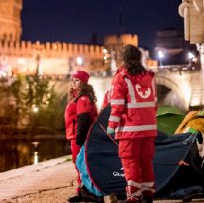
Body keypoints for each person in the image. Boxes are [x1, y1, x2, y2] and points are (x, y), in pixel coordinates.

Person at [106, 45, 157, 203]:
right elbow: (154, 103)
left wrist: (111, 126)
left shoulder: (121, 77)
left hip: (129, 129)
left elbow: (117, 106)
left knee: (131, 162)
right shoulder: (150, 76)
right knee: (146, 161)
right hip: (149, 129)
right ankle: (148, 193)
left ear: (124, 59)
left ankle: (134, 197)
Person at [65, 70, 99, 202]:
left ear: (83, 83)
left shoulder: (82, 99)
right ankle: (81, 191)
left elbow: (83, 120)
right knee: (78, 165)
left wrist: (80, 139)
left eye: (77, 80)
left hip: (79, 137)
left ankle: (89, 192)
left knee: (81, 165)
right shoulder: (78, 97)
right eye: (73, 79)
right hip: (75, 136)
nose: (73, 82)